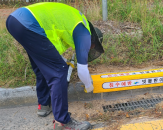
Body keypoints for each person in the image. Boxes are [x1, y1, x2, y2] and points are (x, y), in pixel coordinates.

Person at [6, 2, 104, 130]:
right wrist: (89, 86)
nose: (90, 49)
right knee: (59, 71)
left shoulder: (75, 22)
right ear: (94, 40)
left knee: (42, 66)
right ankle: (62, 122)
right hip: (29, 23)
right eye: (92, 47)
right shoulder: (84, 33)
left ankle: (43, 104)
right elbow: (82, 70)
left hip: (15, 20)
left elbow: (50, 53)